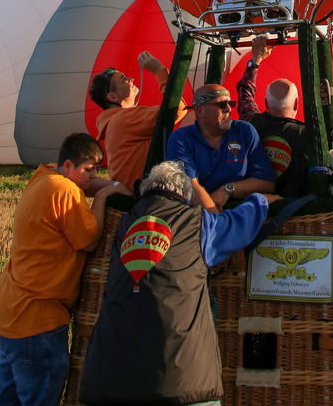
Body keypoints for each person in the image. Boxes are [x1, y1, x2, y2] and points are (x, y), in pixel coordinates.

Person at [79, 160, 269, 406]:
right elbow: (240, 224)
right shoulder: (196, 223)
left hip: (107, 378)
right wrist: (261, 200)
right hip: (182, 384)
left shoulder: (124, 224)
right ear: (185, 194)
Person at [0, 132, 130, 406]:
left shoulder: (42, 177)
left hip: (9, 309)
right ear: (67, 166)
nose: (92, 175)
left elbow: (80, 184)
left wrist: (99, 182)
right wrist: (102, 197)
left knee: (5, 397)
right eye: (88, 169)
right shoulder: (64, 190)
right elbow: (88, 241)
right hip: (36, 316)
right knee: (41, 394)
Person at [166, 82, 276, 209]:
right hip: (200, 215)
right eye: (222, 105)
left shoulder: (244, 131)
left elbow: (267, 183)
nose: (229, 109)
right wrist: (218, 221)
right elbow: (190, 187)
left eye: (231, 104)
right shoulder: (181, 139)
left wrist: (228, 190)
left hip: (240, 211)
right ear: (200, 111)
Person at [90, 51, 187, 193]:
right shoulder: (125, 119)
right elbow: (176, 109)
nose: (131, 79)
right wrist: (158, 70)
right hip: (145, 196)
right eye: (123, 79)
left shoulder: (114, 120)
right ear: (112, 96)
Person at [236, 34, 310, 196]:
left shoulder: (251, 123)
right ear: (297, 103)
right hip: (295, 208)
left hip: (254, 205)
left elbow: (244, 93)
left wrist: (255, 59)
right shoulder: (308, 135)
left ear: (267, 103)